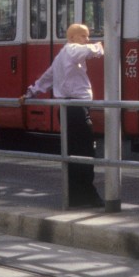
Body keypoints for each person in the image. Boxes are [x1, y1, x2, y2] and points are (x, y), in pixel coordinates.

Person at [21, 22, 105, 208]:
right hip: (77, 109)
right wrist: (99, 47)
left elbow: (46, 78)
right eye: (84, 35)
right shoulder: (72, 49)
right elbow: (89, 51)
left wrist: (29, 93)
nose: (87, 39)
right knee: (85, 153)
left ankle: (75, 196)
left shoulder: (61, 57)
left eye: (88, 36)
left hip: (67, 110)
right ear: (72, 37)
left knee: (73, 154)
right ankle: (87, 196)